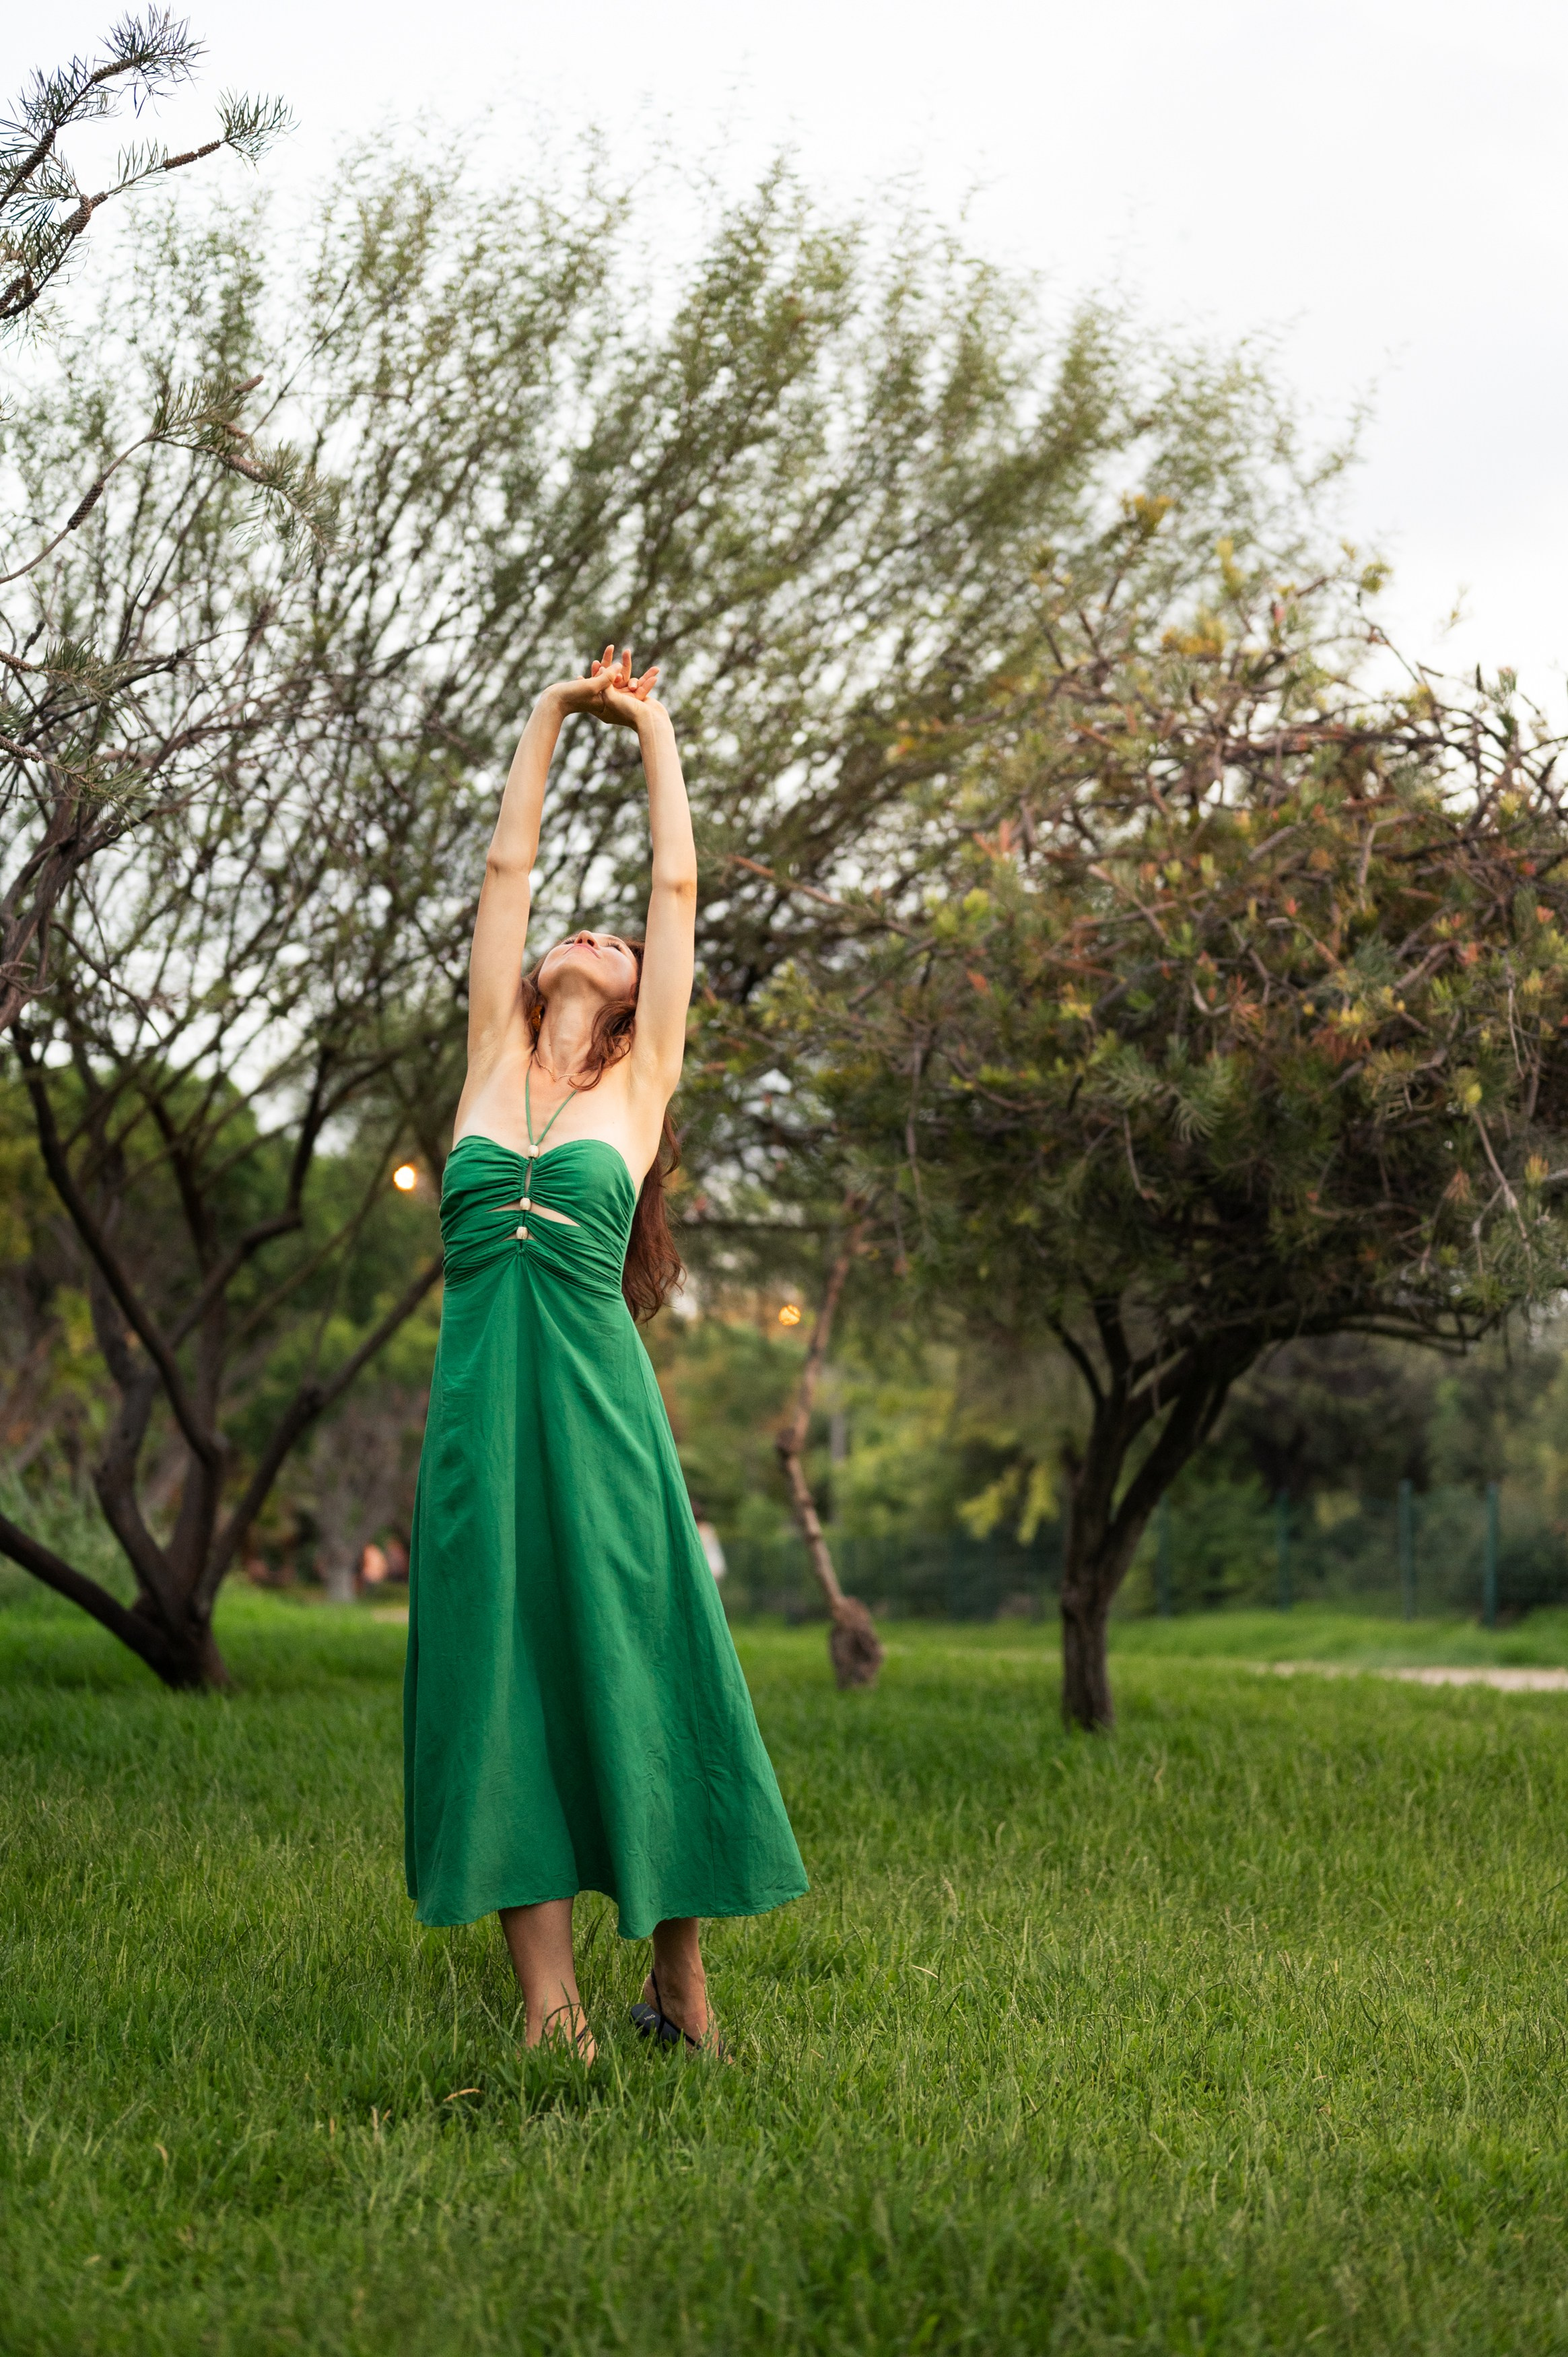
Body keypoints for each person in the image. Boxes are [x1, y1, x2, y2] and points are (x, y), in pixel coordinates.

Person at [403, 646, 807, 2063]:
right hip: (476, 1426)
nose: (591, 931)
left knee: (641, 1664)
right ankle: (552, 2011)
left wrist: (650, 731)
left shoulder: (638, 1085)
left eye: (614, 942)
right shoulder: (486, 1065)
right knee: (497, 1675)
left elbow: (676, 890)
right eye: (575, 931)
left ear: (637, 1001)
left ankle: (680, 1980)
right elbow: (505, 870)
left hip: (599, 1421)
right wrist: (544, 712)